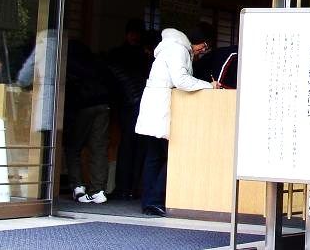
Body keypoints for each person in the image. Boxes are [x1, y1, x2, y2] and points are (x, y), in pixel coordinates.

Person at [135, 26, 216, 216]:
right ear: (198, 42)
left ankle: (149, 202)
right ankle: (155, 200)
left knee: (154, 156)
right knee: (170, 155)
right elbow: (181, 80)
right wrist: (209, 86)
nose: (203, 51)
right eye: (204, 46)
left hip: (155, 104)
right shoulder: (179, 49)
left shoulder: (172, 46)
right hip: (163, 106)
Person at [62, 39, 114, 204]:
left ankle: (78, 188)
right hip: (103, 103)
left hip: (82, 105)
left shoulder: (67, 63)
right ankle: (98, 190)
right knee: (99, 148)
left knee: (73, 147)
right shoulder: (96, 62)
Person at [106, 18, 151, 200]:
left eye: (137, 33)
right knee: (130, 145)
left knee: (133, 145)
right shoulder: (129, 55)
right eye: (132, 33)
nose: (134, 36)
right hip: (131, 104)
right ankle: (127, 187)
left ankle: (129, 187)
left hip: (132, 104)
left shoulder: (140, 55)